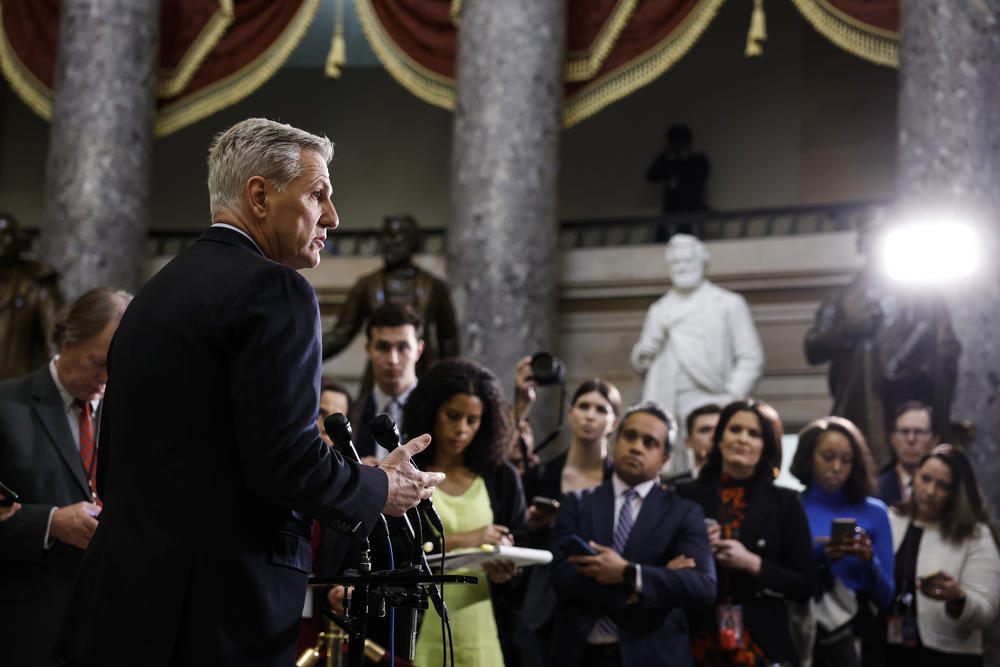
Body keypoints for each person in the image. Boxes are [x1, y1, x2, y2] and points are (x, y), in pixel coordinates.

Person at [53, 118, 444, 667]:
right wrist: (377, 487)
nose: (333, 216)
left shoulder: (152, 296)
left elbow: (114, 464)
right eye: (318, 194)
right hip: (220, 614)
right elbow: (285, 462)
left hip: (122, 607)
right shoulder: (275, 289)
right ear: (259, 196)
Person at [0, 286, 131, 667]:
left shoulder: (130, 415)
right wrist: (50, 523)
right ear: (68, 339)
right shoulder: (7, 406)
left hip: (111, 624)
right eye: (98, 361)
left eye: (119, 366)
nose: (107, 378)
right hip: (26, 627)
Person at [549, 400, 717, 667]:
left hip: (653, 655)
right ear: (616, 442)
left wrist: (629, 572)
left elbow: (702, 586)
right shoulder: (578, 503)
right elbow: (561, 574)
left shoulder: (684, 512)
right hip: (580, 654)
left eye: (650, 442)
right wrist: (644, 586)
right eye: (630, 436)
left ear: (664, 458)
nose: (637, 446)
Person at [404, 358, 526, 667]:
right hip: (419, 630)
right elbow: (394, 553)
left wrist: (507, 571)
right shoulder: (409, 473)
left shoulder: (501, 477)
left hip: (482, 628)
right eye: (453, 416)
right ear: (431, 411)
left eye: (473, 420)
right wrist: (465, 540)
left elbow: (521, 553)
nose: (462, 429)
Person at [803, 229, 960, 468]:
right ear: (861, 244)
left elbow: (945, 347)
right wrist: (847, 331)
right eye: (871, 234)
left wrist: (908, 365)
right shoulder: (840, 296)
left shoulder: (921, 294)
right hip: (858, 399)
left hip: (907, 397)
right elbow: (813, 348)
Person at [675, 398, 815, 666]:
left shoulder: (785, 502)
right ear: (719, 438)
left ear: (767, 446)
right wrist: (695, 550)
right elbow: (661, 566)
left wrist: (752, 563)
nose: (743, 439)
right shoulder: (684, 495)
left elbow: (804, 585)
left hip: (760, 642)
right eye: (735, 429)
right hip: (695, 637)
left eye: (754, 433)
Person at [630, 233, 763, 477]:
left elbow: (751, 358)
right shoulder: (660, 309)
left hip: (710, 398)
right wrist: (643, 353)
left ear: (702, 263)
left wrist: (730, 397)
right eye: (676, 263)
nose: (682, 267)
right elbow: (643, 363)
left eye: (688, 261)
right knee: (669, 471)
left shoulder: (728, 304)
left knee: (714, 470)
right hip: (667, 400)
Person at [515, 373, 622, 666]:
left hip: (600, 597)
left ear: (613, 422)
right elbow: (517, 530)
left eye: (602, 409)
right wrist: (531, 523)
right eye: (584, 406)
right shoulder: (541, 474)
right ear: (571, 412)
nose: (591, 416)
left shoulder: (621, 479)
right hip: (545, 598)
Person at [790, 416, 895, 667]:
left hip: (860, 634)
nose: (837, 467)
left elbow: (887, 597)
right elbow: (784, 581)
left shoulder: (874, 511)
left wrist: (868, 561)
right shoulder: (791, 507)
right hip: (804, 629)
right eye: (828, 457)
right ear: (808, 457)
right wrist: (819, 554)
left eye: (846, 460)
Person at [886, 445, 1000, 665]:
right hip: (891, 649)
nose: (930, 491)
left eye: (942, 485)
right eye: (925, 479)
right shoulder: (893, 519)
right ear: (914, 477)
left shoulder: (975, 535)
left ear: (956, 493)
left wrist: (957, 598)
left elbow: (986, 612)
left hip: (948, 654)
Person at [322, 214, 459, 378]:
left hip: (424, 374)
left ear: (413, 242)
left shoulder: (434, 286)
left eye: (394, 237)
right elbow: (341, 335)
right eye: (384, 237)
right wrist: (302, 354)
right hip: (379, 376)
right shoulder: (367, 285)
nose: (386, 243)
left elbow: (448, 339)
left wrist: (449, 381)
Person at [350, 304, 424, 463]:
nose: (392, 359)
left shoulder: (440, 412)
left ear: (419, 350)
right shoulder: (351, 413)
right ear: (368, 349)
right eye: (383, 347)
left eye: (403, 347)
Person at [0, 211, 64, 380]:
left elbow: (54, 340)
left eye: (5, 233)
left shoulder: (37, 283)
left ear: (18, 239)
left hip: (14, 386)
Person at [878, 402, 939, 506]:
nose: (911, 439)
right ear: (893, 438)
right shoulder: (875, 490)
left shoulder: (947, 490)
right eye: (904, 432)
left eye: (919, 432)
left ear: (935, 440)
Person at [645, 124, 711, 215]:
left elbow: (698, 178)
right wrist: (663, 155)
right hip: (670, 214)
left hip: (692, 212)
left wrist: (682, 159)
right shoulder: (669, 163)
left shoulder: (698, 161)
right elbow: (651, 177)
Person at [669, 403, 722, 483]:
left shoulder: (745, 487)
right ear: (689, 442)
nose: (714, 436)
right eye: (705, 430)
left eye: (719, 429)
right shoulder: (672, 488)